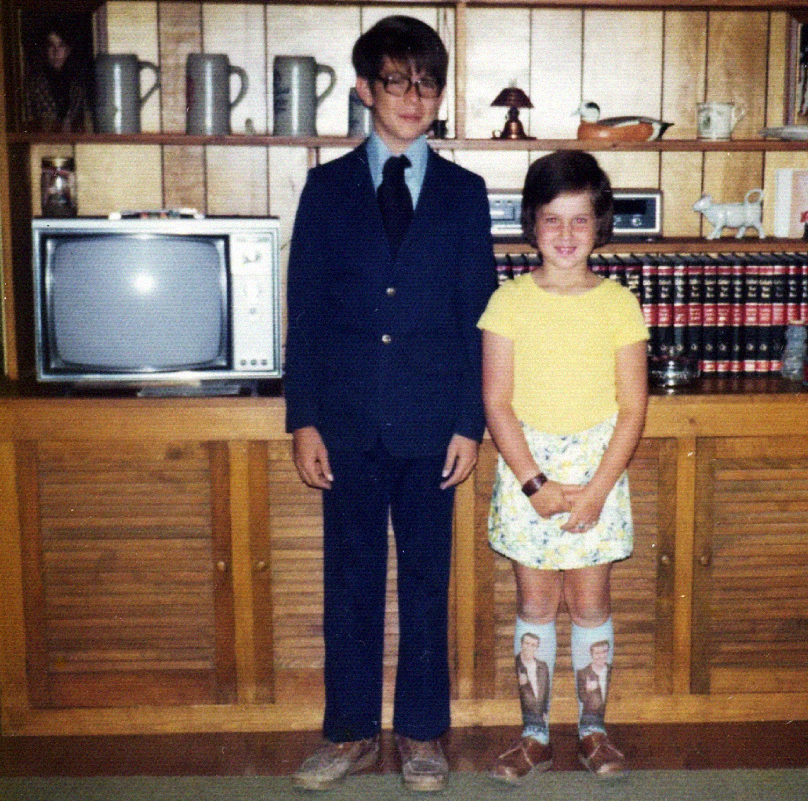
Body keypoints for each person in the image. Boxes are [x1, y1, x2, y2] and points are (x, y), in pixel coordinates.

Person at [284, 14, 496, 793]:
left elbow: (481, 315)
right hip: (342, 423)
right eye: (398, 80)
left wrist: (469, 422)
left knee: (426, 579)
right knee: (349, 576)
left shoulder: (465, 194)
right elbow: (302, 310)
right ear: (367, 89)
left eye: (428, 82)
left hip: (432, 423)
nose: (414, 96)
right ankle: (348, 732)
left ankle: (420, 733)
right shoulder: (327, 186)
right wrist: (303, 417)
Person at [478, 150, 648, 784]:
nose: (568, 235)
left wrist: (597, 491)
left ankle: (594, 731)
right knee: (535, 602)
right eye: (553, 220)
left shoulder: (619, 304)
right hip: (531, 473)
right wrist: (536, 485)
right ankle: (534, 735)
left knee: (590, 601)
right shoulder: (508, 302)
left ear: (599, 224)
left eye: (581, 221)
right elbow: (496, 402)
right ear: (532, 224)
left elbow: (633, 407)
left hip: (599, 473)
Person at [25, 19, 91, 132]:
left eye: (61, 46)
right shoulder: (34, 84)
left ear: (68, 50)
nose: (56, 52)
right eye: (51, 46)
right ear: (45, 49)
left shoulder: (78, 85)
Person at [516, 631, 551, 737]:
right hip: (525, 718)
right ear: (521, 644)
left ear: (536, 648)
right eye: (526, 643)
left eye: (533, 645)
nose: (529, 648)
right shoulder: (516, 664)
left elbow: (546, 691)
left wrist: (544, 711)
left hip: (540, 716)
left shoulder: (543, 666)